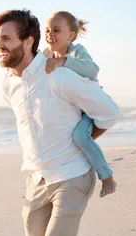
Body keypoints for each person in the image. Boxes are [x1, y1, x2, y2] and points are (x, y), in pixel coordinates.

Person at [0, 10, 119, 236]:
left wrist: (84, 139)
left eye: (6, 38)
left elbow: (109, 110)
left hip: (72, 174)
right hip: (35, 177)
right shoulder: (8, 84)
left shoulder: (58, 74)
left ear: (28, 40)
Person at [43, 11, 117, 197]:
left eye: (56, 30)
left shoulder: (77, 51)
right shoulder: (46, 54)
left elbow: (92, 70)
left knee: (80, 137)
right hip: (70, 108)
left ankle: (106, 176)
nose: (50, 35)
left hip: (88, 110)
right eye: (47, 30)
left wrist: (65, 61)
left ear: (71, 35)